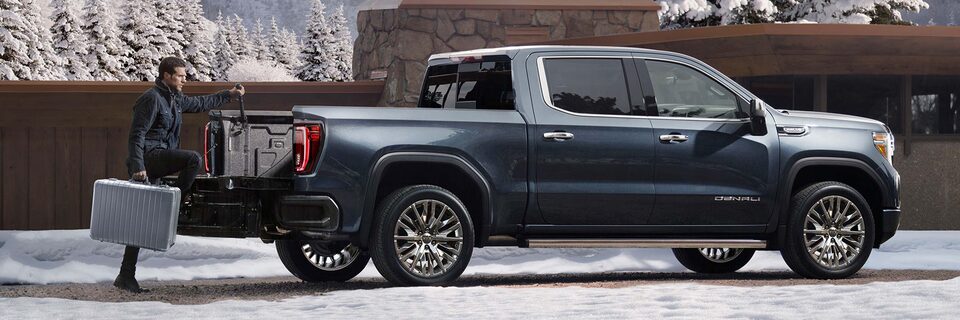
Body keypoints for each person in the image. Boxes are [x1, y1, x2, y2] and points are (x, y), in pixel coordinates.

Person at [116, 56, 244, 293]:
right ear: (166, 75)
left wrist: (228, 94)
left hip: (159, 157)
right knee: (193, 159)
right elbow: (136, 135)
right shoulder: (151, 99)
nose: (185, 80)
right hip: (148, 159)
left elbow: (200, 103)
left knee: (141, 219)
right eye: (180, 76)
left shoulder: (174, 99)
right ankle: (176, 205)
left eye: (185, 76)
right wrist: (137, 167)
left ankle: (125, 275)